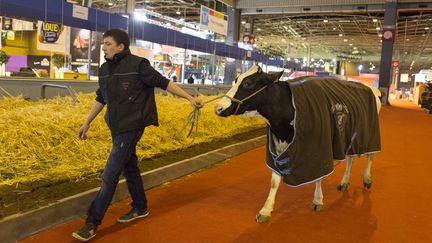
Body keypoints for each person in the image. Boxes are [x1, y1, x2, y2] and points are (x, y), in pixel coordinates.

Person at [72, 29, 204, 242]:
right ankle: (140, 207)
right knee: (129, 166)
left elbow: (163, 82)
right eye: (103, 44)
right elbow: (101, 97)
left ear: (120, 47)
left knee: (110, 173)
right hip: (115, 126)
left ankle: (92, 222)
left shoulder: (138, 65)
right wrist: (86, 122)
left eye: (107, 44)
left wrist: (190, 98)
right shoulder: (104, 69)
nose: (103, 47)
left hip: (132, 125)